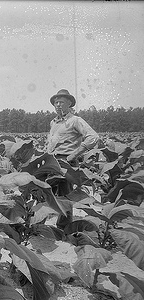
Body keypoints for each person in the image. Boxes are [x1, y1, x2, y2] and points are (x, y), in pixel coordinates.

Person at [46, 89, 100, 228]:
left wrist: (74, 154)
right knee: (44, 191)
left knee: (65, 196)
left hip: (67, 162)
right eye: (56, 102)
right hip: (52, 162)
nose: (58, 105)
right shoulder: (53, 122)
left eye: (62, 102)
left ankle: (64, 228)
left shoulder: (75, 120)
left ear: (69, 103)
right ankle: (36, 225)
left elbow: (93, 137)